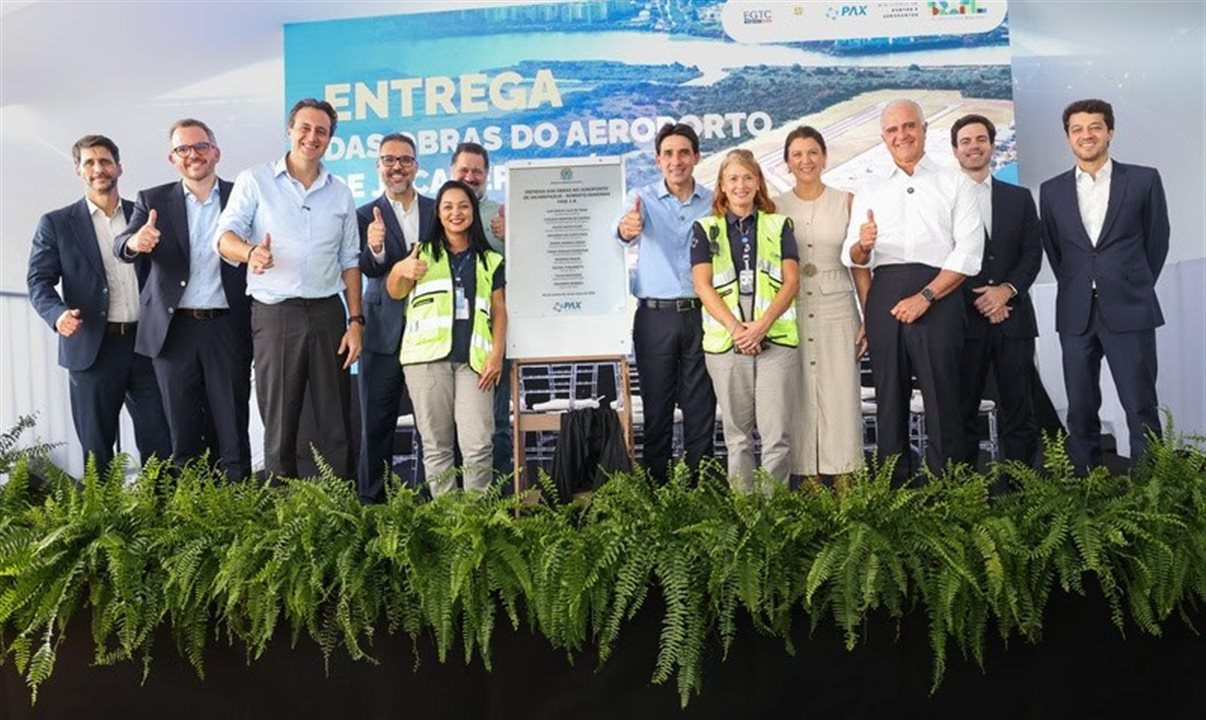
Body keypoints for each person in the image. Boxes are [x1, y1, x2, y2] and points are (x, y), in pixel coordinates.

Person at [215, 98, 363, 479]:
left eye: (321, 131)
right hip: (275, 312)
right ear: (289, 130)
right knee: (280, 419)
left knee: (335, 418)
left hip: (329, 312)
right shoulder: (255, 180)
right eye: (305, 128)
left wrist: (356, 322)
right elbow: (223, 237)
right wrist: (250, 253)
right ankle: (282, 519)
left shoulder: (340, 191)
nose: (312, 137)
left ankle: (338, 507)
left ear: (330, 139)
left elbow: (350, 261)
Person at [841, 100, 983, 485]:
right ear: (883, 138)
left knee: (943, 401)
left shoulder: (955, 183)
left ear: (924, 129)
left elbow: (969, 252)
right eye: (892, 130)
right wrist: (863, 247)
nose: (901, 135)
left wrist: (926, 297)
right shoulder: (869, 189)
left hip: (940, 295)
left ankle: (948, 493)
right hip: (884, 295)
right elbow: (852, 257)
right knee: (889, 402)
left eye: (909, 127)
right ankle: (894, 496)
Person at [114, 119, 252, 482]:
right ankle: (190, 516)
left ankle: (242, 511)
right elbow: (123, 244)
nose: (193, 155)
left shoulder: (243, 195)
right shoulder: (153, 200)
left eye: (201, 147)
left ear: (216, 152)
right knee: (182, 429)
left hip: (227, 326)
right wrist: (135, 242)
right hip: (173, 331)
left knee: (232, 426)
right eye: (183, 149)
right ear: (172, 158)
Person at [1039, 98, 1170, 474]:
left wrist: (1130, 283)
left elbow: (1156, 242)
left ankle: (1151, 491)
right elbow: (1055, 248)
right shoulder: (1051, 191)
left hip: (1131, 307)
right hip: (1076, 313)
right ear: (1068, 138)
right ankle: (1087, 487)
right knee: (1080, 409)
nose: (1087, 135)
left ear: (1110, 131)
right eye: (1077, 129)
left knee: (1140, 406)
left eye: (1095, 127)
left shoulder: (1144, 179)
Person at [27, 135, 172, 473]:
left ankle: (159, 518)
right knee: (97, 449)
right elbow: (38, 281)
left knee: (160, 443)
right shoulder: (57, 224)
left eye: (105, 161)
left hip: (146, 346)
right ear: (78, 170)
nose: (98, 169)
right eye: (89, 163)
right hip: (93, 346)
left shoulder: (146, 217)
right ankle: (107, 524)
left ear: (118, 167)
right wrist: (57, 314)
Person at [386, 180, 506, 496]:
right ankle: (449, 526)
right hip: (426, 363)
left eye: (463, 206)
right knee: (437, 447)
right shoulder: (421, 254)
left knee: (478, 444)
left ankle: (475, 526)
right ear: (438, 213)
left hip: (474, 363)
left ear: (473, 212)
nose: (456, 213)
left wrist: (497, 354)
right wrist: (400, 268)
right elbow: (395, 290)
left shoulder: (490, 260)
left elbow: (500, 310)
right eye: (448, 207)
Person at [613, 123, 717, 484]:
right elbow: (623, 230)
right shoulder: (641, 199)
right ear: (658, 160)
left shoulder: (713, 201)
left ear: (696, 157)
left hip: (703, 317)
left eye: (684, 153)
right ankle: (657, 495)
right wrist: (629, 227)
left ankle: (699, 494)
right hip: (654, 319)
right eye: (669, 154)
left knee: (700, 410)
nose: (677, 161)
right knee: (656, 412)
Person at [691, 149, 799, 492]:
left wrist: (762, 325)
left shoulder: (778, 224)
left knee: (776, 436)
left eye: (748, 178)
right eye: (733, 178)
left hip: (775, 342)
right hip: (727, 344)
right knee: (737, 437)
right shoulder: (705, 229)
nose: (741, 185)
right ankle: (745, 516)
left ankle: (775, 515)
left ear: (758, 183)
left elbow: (792, 281)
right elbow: (702, 285)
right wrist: (738, 330)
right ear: (722, 185)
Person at [772, 126, 869, 481]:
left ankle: (847, 486)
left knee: (841, 400)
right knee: (797, 400)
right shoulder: (775, 207)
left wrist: (867, 316)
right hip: (791, 312)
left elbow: (859, 265)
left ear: (825, 157)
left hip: (837, 310)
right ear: (786, 162)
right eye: (797, 154)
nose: (805, 160)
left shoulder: (846, 201)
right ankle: (809, 489)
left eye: (812, 152)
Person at [949, 114, 1042, 469]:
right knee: (963, 410)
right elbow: (943, 256)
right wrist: (984, 299)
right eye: (966, 141)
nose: (974, 146)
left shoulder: (1018, 198)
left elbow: (1032, 252)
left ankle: (1022, 490)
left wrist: (1005, 291)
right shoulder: (945, 199)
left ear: (992, 144)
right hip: (964, 322)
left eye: (980, 139)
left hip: (1014, 319)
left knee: (1019, 409)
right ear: (955, 150)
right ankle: (966, 495)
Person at [356, 133, 435, 502]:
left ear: (416, 166)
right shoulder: (363, 216)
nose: (397, 167)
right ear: (378, 167)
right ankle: (372, 508)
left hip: (433, 336)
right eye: (389, 160)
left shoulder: (438, 210)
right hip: (382, 334)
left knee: (434, 430)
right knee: (376, 427)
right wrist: (375, 244)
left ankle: (432, 505)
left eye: (404, 159)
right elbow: (367, 270)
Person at [450, 142, 511, 479]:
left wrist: (511, 237)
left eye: (477, 171)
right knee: (450, 426)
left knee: (496, 421)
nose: (470, 177)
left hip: (492, 334)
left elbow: (512, 272)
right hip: (450, 338)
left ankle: (496, 502)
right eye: (464, 170)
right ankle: (453, 504)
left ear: (487, 175)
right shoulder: (437, 212)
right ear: (452, 171)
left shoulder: (502, 214)